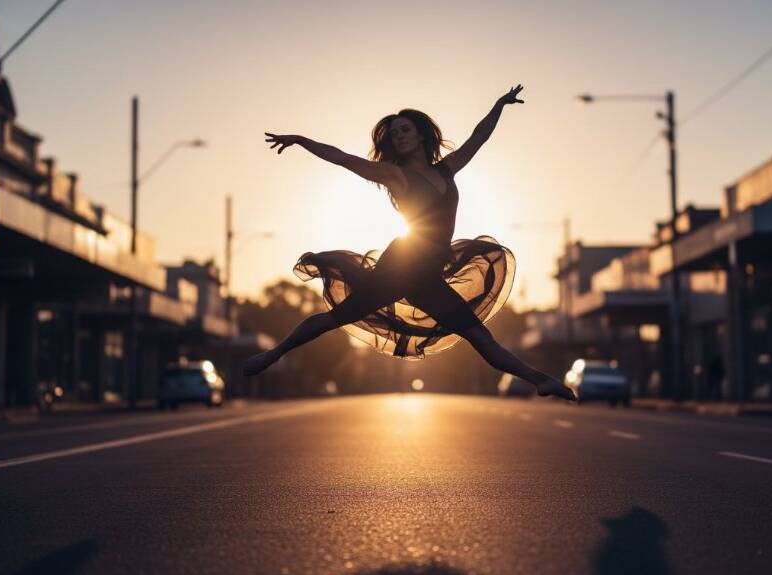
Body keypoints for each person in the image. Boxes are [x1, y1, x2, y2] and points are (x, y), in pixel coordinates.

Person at [243, 84, 576, 401]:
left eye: (405, 130)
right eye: (394, 133)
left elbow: (478, 138)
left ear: (420, 134)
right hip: (400, 267)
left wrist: (499, 105)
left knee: (478, 335)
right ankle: (272, 355)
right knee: (338, 317)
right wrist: (301, 140)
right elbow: (343, 158)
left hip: (428, 274)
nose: (399, 136)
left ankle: (540, 380)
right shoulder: (395, 175)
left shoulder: (447, 169)